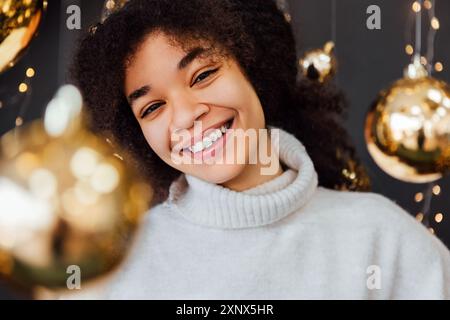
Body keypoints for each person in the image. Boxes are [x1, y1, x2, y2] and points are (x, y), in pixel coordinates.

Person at [68, 0, 450, 299]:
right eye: (152, 108)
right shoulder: (115, 264)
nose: (185, 117)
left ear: (253, 68)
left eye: (203, 75)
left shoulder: (381, 238)